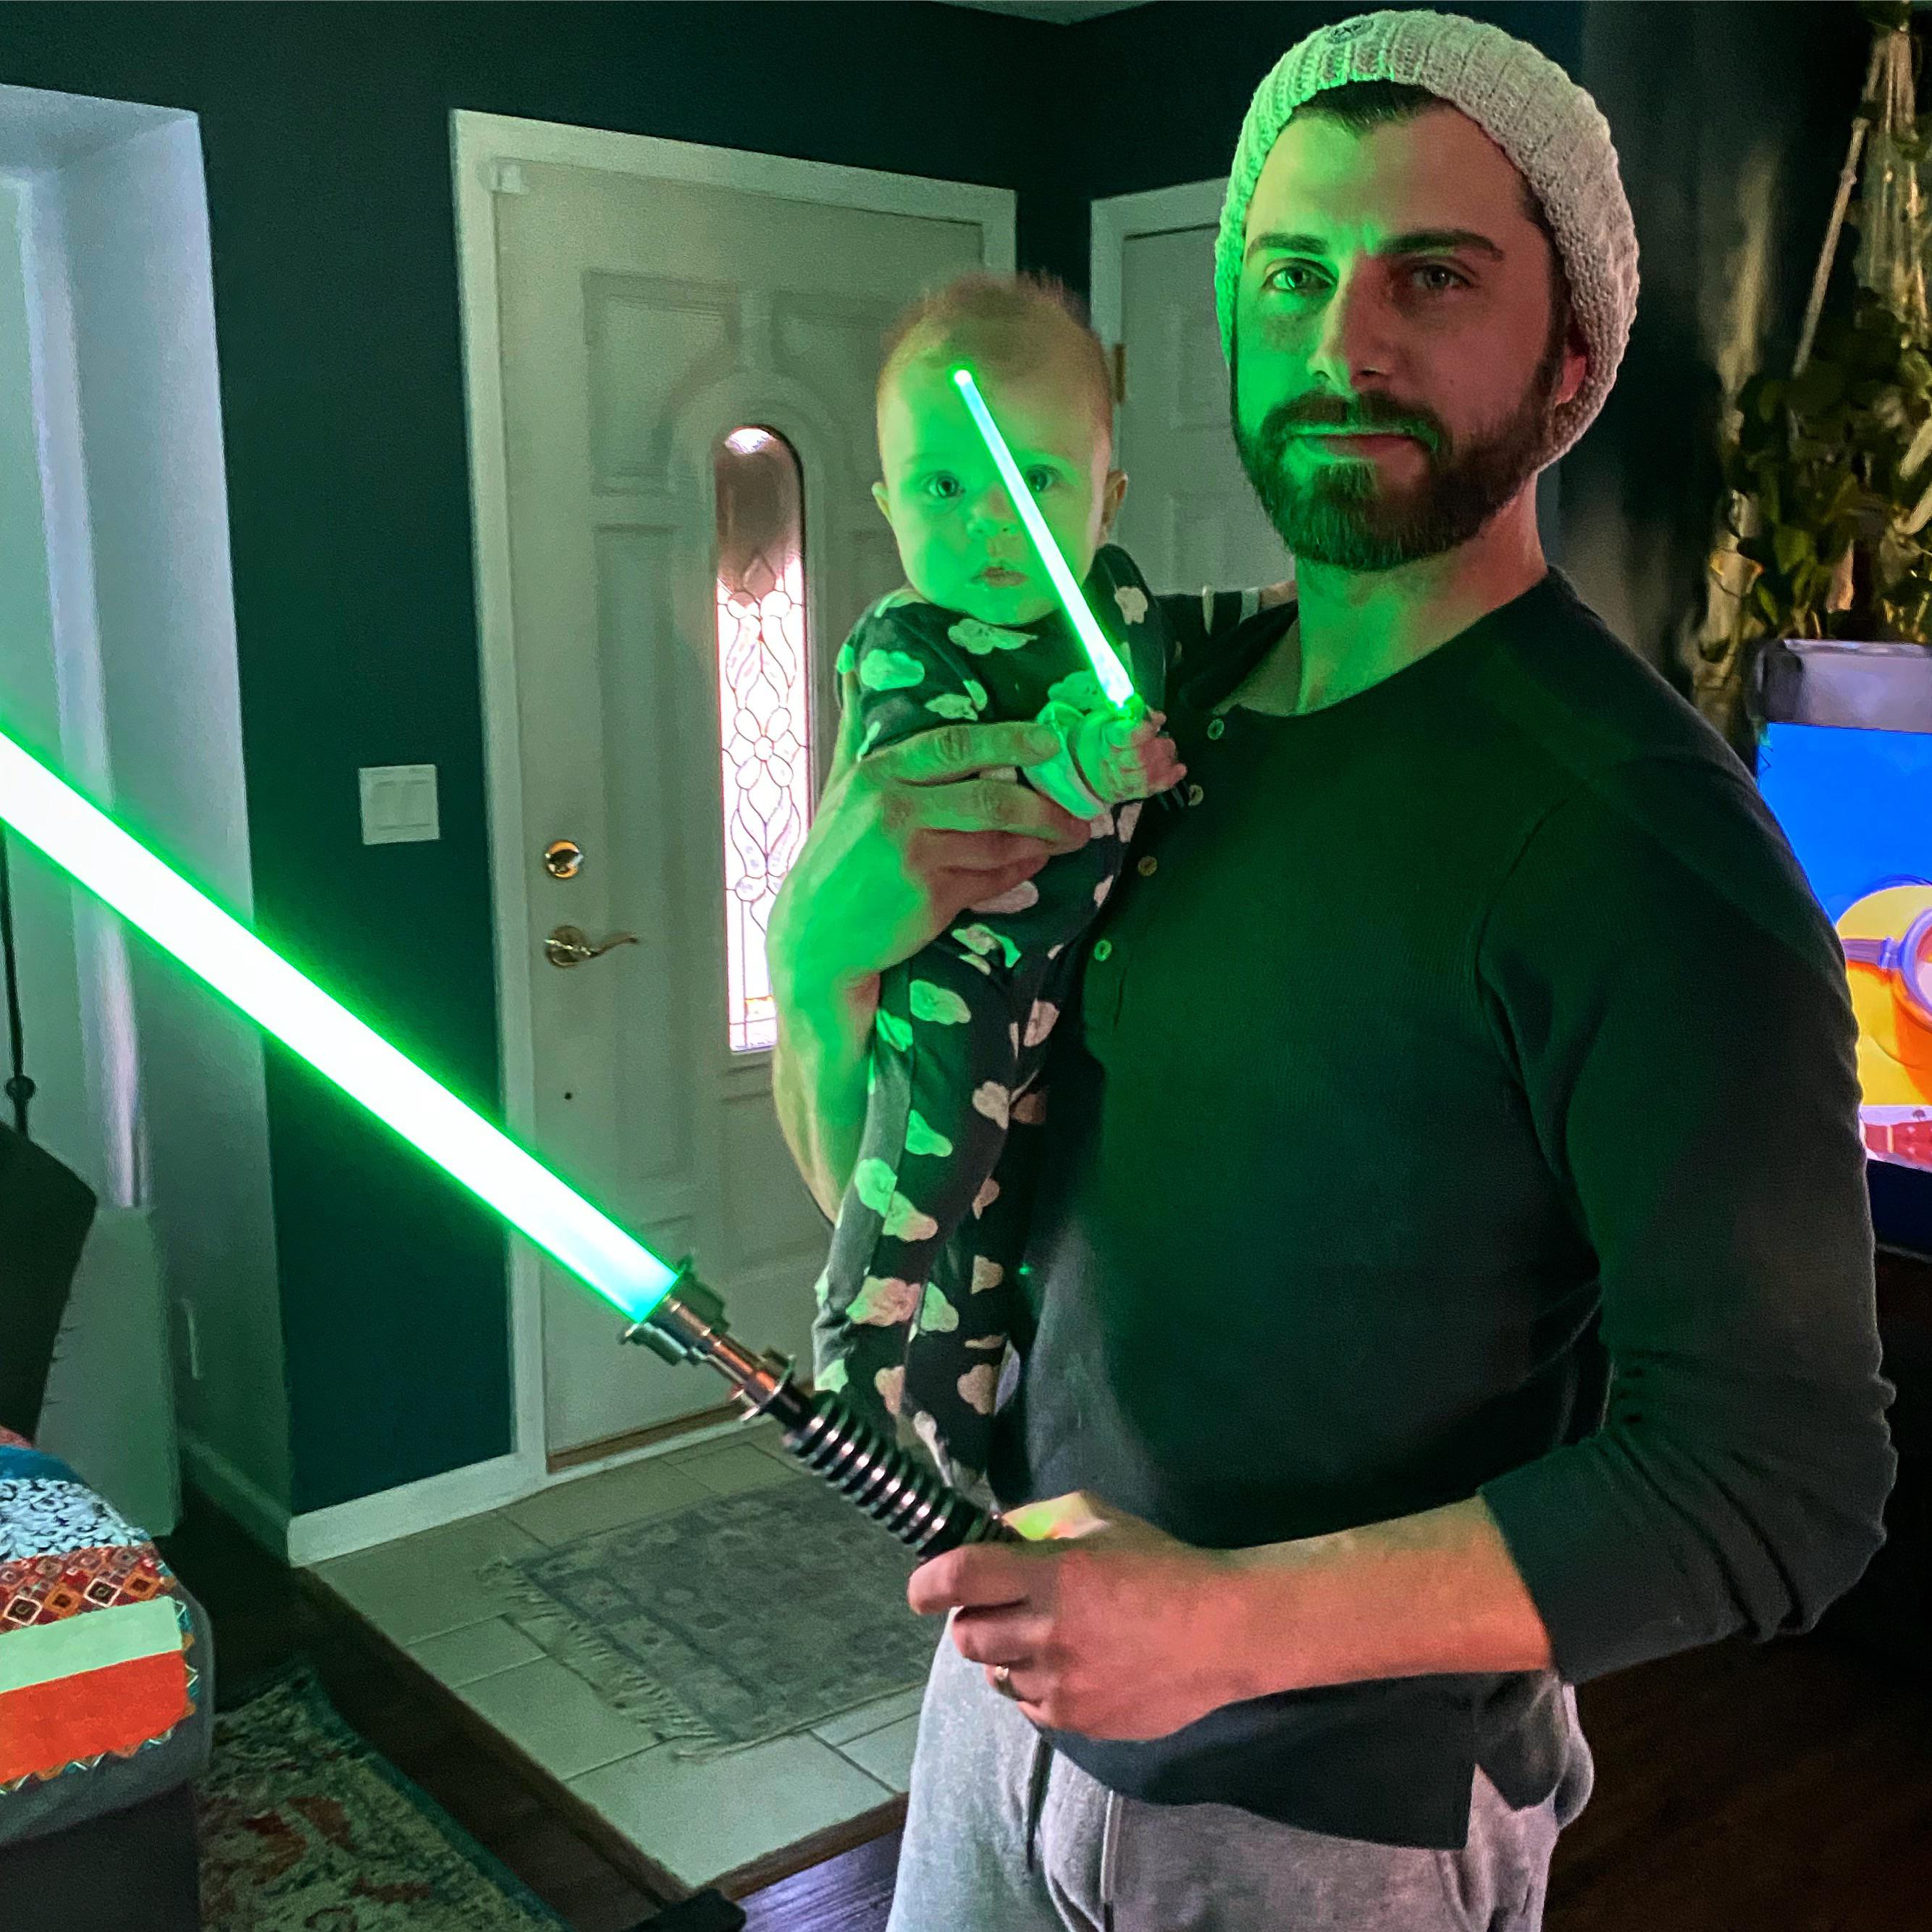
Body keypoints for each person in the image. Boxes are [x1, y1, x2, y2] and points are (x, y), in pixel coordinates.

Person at [768, 11, 1899, 1930]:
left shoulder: (1641, 843)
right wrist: (813, 970)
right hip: (1001, 1705)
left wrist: (1218, 1623)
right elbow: (929, 1183)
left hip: (1321, 1821)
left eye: (1429, 276)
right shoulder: (1156, 710)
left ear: (1570, 356)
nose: (1340, 343)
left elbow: (1778, 1485)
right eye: (1289, 275)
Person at [808, 274, 1188, 1493]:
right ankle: (854, 1352)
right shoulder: (906, 643)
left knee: (998, 1234)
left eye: (1038, 483)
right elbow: (955, 775)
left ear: (1107, 499)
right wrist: (1080, 763)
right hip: (955, 976)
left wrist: (1277, 614)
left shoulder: (1117, 601)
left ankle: (958, 1429)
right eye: (943, 488)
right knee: (932, 1176)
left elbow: (1186, 638)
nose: (994, 525)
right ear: (887, 506)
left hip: (1052, 992)